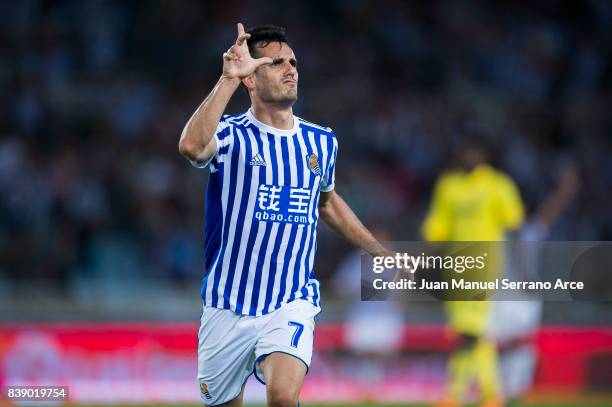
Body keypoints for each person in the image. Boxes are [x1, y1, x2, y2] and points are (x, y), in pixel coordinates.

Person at [178, 23, 391, 407]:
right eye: (276, 63)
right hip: (227, 304)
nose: (290, 69)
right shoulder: (229, 135)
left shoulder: (321, 142)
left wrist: (379, 252)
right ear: (252, 79)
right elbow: (192, 147)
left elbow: (326, 201)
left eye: (292, 61)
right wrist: (228, 79)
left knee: (282, 395)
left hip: (290, 299)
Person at [421, 138, 525, 407]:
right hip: (455, 267)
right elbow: (436, 229)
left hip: (485, 265)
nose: (470, 154)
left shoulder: (498, 185)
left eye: (475, 149)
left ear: (485, 153)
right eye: (466, 148)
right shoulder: (449, 186)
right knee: (469, 333)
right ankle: (491, 395)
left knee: (471, 331)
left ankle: (456, 394)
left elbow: (514, 223)